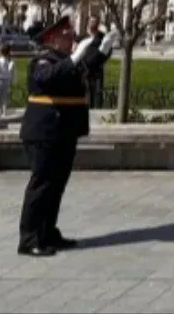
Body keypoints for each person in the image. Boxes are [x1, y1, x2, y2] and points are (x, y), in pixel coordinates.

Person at [17, 16, 116, 257]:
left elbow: (87, 67)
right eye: (66, 33)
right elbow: (47, 78)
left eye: (72, 32)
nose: (72, 36)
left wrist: (103, 50)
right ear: (52, 38)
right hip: (45, 132)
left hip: (64, 132)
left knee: (56, 186)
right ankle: (29, 239)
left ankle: (48, 232)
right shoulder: (42, 60)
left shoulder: (65, 61)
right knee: (41, 185)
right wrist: (74, 57)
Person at [74, 16, 108, 109]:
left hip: (97, 69)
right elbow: (74, 51)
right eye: (92, 21)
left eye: (96, 22)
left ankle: (97, 109)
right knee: (84, 90)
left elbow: (108, 50)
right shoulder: (81, 38)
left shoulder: (102, 38)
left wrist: (101, 60)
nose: (94, 24)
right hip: (83, 69)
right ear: (87, 23)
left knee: (97, 91)